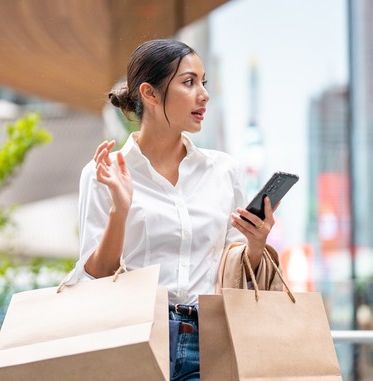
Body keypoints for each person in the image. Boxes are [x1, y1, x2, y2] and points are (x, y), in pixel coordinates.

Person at [73, 39, 276, 381]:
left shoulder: (224, 171)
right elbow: (92, 280)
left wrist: (256, 245)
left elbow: (235, 270)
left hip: (212, 341)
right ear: (150, 94)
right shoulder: (104, 173)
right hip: (134, 337)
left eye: (203, 82)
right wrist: (119, 212)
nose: (203, 94)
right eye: (188, 82)